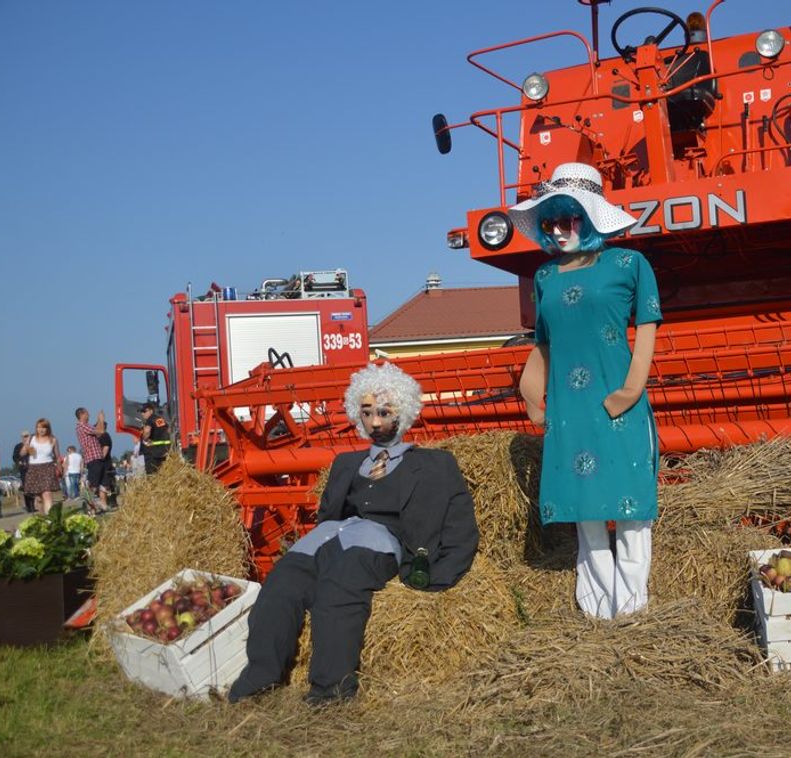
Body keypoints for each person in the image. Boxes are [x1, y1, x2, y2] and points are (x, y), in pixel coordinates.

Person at [228, 362, 478, 706]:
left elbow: (460, 522)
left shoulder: (435, 464)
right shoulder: (346, 463)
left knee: (338, 592)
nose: (374, 421)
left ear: (403, 413)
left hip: (379, 542)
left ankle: (330, 691)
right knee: (280, 584)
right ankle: (260, 677)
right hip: (330, 536)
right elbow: (331, 511)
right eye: (366, 412)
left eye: (384, 412)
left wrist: (438, 573)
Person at [511, 162, 661, 620]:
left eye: (569, 219)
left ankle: (632, 611)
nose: (558, 230)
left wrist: (631, 389)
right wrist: (530, 391)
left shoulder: (629, 264)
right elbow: (545, 341)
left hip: (618, 399)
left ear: (592, 217)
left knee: (631, 503)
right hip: (568, 406)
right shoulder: (545, 277)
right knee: (586, 510)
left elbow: (648, 328)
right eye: (550, 222)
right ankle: (598, 611)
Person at [21, 419, 63, 516]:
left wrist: (60, 469)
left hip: (48, 467)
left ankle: (50, 518)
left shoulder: (53, 439)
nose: (41, 429)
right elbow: (22, 453)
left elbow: (57, 456)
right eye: (39, 427)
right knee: (39, 498)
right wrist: (26, 447)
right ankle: (42, 518)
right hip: (34, 468)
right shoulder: (31, 438)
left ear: (48, 428)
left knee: (47, 494)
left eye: (44, 427)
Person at [74, 408, 107, 505]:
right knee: (94, 483)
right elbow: (100, 431)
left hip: (97, 457)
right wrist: (101, 419)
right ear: (82, 414)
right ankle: (89, 504)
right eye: (87, 413)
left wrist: (100, 421)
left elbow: (100, 433)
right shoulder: (82, 426)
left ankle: (102, 505)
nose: (89, 415)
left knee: (103, 483)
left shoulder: (85, 426)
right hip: (93, 458)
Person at [138, 404, 171, 475]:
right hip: (164, 450)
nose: (142, 414)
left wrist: (144, 439)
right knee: (161, 473)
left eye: (144, 411)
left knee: (152, 474)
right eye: (141, 412)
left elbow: (147, 432)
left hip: (153, 452)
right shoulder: (160, 419)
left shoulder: (150, 420)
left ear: (151, 411)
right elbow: (168, 430)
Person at [12, 430, 37, 513]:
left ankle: (33, 506)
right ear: (21, 437)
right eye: (24, 436)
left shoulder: (32, 445)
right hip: (23, 469)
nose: (25, 438)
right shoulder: (18, 446)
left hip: (32, 469)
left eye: (27, 436)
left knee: (33, 488)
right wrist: (18, 461)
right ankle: (28, 506)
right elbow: (15, 456)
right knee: (26, 488)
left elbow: (34, 455)